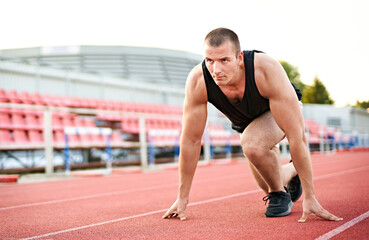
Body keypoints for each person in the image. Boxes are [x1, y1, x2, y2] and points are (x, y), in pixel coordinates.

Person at [162, 28, 343, 222]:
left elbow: (296, 137)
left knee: (251, 144)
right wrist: (182, 198)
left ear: (239, 57)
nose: (216, 70)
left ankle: (279, 195)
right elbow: (191, 140)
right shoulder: (199, 80)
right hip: (248, 125)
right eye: (210, 61)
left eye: (224, 60)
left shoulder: (265, 69)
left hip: (278, 110)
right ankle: (291, 172)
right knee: (269, 178)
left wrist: (310, 196)